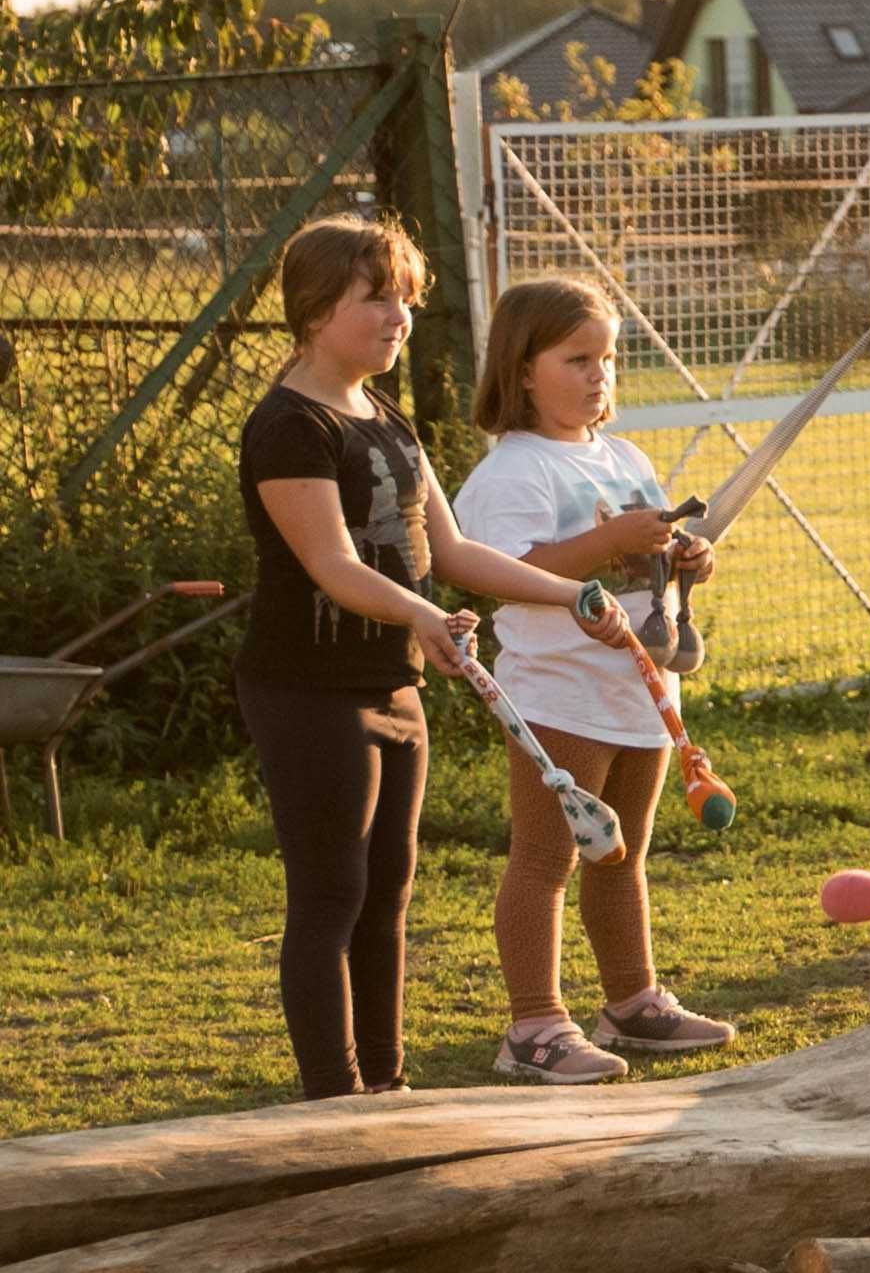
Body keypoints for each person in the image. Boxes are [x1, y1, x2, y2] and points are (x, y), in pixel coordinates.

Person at [233, 217, 635, 1100]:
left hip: (393, 685)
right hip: (309, 690)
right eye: (375, 297)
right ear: (312, 307)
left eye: (406, 300)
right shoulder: (289, 426)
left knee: (387, 898)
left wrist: (570, 592)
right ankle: (335, 1101)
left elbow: (449, 553)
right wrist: (424, 617)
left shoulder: (385, 419)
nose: (397, 317)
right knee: (333, 893)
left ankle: (389, 1086)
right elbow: (334, 566)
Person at [447, 278, 733, 1083]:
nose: (599, 374)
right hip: (558, 694)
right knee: (548, 859)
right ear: (523, 369)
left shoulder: (625, 456)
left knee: (623, 855)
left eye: (607, 357)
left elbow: (642, 553)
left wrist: (682, 560)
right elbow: (508, 572)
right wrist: (609, 541)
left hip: (639, 693)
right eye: (577, 358)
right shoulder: (512, 472)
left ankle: (632, 1001)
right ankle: (533, 1026)